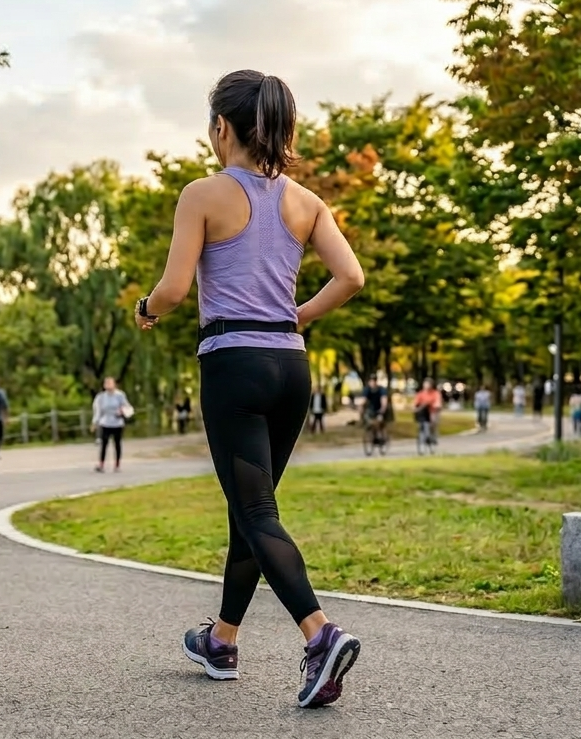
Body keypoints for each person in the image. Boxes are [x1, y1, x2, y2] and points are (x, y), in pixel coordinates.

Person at [132, 70, 365, 708]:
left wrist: (147, 306)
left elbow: (176, 291)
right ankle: (222, 640)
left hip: (233, 366)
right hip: (290, 368)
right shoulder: (305, 201)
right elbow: (350, 276)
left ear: (220, 128)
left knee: (257, 510)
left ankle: (320, 636)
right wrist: (299, 314)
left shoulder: (202, 194)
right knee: (251, 510)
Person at [91, 377, 132, 472]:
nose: (108, 385)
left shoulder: (120, 395)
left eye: (110, 383)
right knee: (104, 444)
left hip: (117, 423)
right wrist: (95, 422)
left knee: (117, 444)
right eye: (106, 384)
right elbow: (98, 411)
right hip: (105, 423)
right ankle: (101, 465)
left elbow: (127, 406)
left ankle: (117, 465)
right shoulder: (101, 397)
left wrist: (122, 412)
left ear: (114, 384)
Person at [413, 378, 443, 443]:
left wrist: (437, 405)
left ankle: (433, 435)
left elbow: (438, 402)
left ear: (431, 385)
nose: (427, 386)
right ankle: (422, 434)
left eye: (428, 384)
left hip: (432, 411)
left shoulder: (435, 393)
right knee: (420, 420)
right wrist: (414, 407)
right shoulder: (420, 394)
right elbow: (416, 402)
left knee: (433, 421)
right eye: (425, 384)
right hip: (423, 411)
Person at [361, 375, 388, 444]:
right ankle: (372, 436)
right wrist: (361, 407)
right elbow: (364, 400)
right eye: (371, 381)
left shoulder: (381, 390)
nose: (372, 383)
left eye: (373, 381)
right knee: (370, 421)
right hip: (371, 409)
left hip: (380, 409)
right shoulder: (367, 390)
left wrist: (383, 409)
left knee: (379, 421)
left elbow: (384, 400)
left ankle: (380, 436)